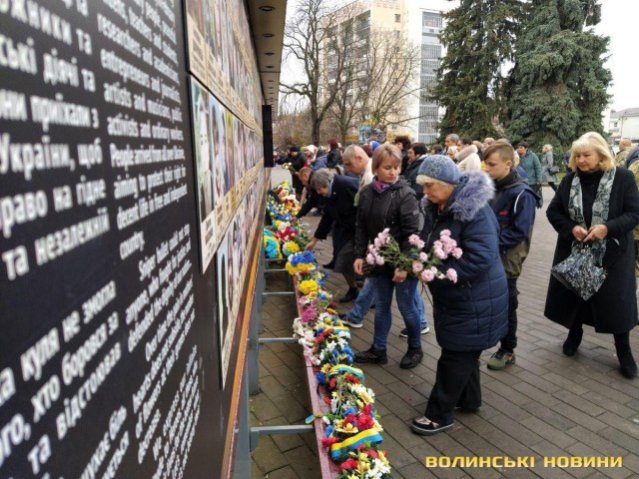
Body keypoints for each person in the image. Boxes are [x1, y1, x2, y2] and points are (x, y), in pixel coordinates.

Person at [411, 155, 507, 435]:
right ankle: (469, 399)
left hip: (474, 297)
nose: (425, 192)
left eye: (430, 186)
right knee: (465, 350)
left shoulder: (473, 210)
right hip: (462, 296)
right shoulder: (438, 205)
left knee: (456, 355)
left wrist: (437, 273)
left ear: (448, 183)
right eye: (424, 186)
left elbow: (481, 256)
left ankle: (439, 415)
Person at [544, 131, 639, 379]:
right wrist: (570, 228)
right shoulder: (570, 180)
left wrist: (607, 228)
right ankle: (574, 334)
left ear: (601, 155)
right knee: (575, 296)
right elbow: (553, 212)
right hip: (575, 251)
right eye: (578, 156)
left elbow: (634, 214)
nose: (581, 160)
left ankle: (624, 350)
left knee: (617, 304)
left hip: (612, 254)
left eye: (586, 155)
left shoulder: (623, 178)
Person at [353, 144, 424, 369]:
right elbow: (361, 226)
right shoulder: (367, 193)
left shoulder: (406, 194)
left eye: (396, 167)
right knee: (382, 306)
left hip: (403, 260)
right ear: (376, 168)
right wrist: (359, 255)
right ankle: (378, 349)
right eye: (387, 168)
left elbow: (412, 234)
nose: (393, 172)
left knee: (406, 307)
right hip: (379, 260)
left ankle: (415, 348)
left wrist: (404, 265)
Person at [483, 141, 539, 370]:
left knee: (507, 304)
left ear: (508, 164)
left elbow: (518, 232)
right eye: (486, 164)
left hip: (507, 261)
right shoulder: (492, 186)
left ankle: (508, 350)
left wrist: (487, 243)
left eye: (491, 164)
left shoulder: (522, 194)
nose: (486, 169)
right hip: (488, 255)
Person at [306, 169, 360, 302]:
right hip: (345, 229)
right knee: (341, 260)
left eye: (319, 189)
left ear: (326, 183)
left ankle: (369, 294)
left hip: (359, 229)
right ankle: (354, 289)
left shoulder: (346, 184)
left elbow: (364, 203)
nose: (319, 193)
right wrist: (314, 240)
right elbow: (327, 218)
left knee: (347, 259)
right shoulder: (328, 194)